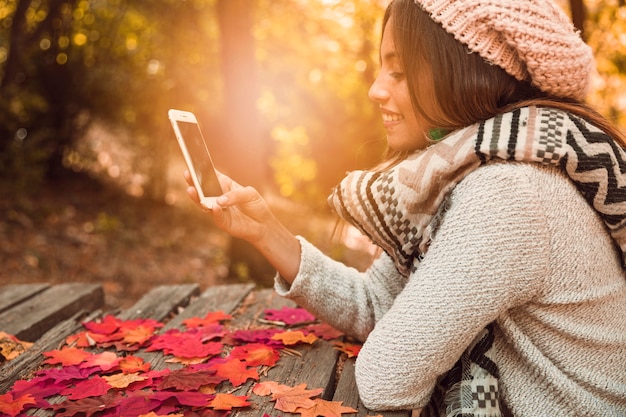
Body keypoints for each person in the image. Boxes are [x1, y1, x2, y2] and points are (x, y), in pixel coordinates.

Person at [184, 0, 626, 415]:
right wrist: (266, 231)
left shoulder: (509, 192)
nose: (376, 89)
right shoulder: (466, 173)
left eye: (399, 71)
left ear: (469, 71)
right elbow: (377, 305)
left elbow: (387, 378)